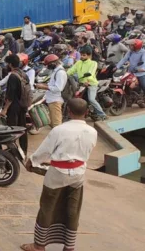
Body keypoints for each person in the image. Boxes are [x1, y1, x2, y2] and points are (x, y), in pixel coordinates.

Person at [20, 98, 97, 251]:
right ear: (86, 112)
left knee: (47, 207)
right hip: (78, 175)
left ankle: (39, 246)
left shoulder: (60, 130)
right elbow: (81, 154)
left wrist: (32, 161)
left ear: (68, 111)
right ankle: (69, 246)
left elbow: (44, 151)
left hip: (57, 175)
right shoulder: (92, 132)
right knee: (73, 210)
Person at [68, 46, 107, 120]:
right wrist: (65, 74)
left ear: (89, 55)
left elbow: (91, 73)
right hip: (81, 84)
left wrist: (87, 81)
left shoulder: (93, 63)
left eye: (84, 55)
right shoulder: (78, 62)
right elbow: (71, 70)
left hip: (91, 84)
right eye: (81, 55)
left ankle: (102, 114)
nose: (82, 57)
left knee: (91, 99)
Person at [1, 54, 29, 152]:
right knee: (22, 128)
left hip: (14, 107)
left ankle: (12, 151)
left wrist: (5, 110)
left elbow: (10, 97)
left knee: (12, 129)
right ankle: (24, 150)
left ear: (10, 64)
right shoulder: (23, 74)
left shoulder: (13, 76)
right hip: (23, 105)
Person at [35, 54, 67, 127]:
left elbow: (58, 88)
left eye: (48, 64)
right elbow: (53, 85)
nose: (47, 66)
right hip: (51, 99)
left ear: (54, 63)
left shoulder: (60, 73)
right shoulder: (55, 71)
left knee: (57, 124)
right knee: (52, 123)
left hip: (55, 100)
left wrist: (44, 87)